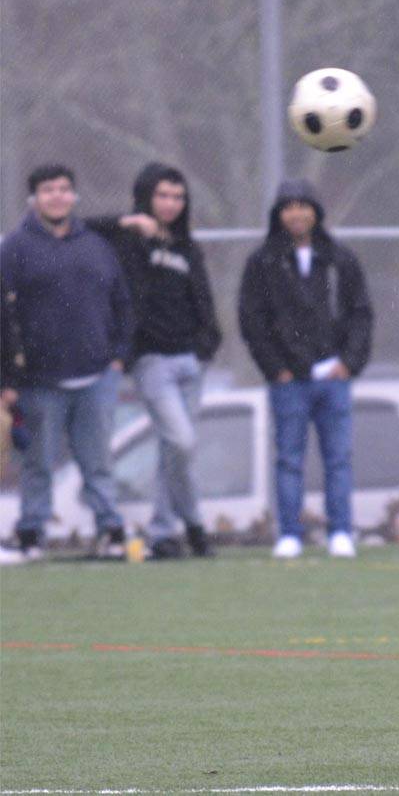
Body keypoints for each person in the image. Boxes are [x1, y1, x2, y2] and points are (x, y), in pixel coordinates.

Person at [87, 163, 222, 559]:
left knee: (174, 450)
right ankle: (194, 523)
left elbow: (204, 301)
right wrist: (129, 222)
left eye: (178, 197)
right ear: (147, 197)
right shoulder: (128, 242)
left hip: (191, 362)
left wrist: (206, 345)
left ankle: (165, 533)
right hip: (153, 362)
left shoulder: (187, 248)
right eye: (162, 195)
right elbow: (79, 227)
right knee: (182, 441)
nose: (170, 204)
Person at [0, 164, 134, 559]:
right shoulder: (15, 250)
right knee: (38, 463)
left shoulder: (96, 245)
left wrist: (118, 359)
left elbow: (122, 303)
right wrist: (7, 377)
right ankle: (31, 534)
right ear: (34, 199)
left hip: (96, 376)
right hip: (40, 380)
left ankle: (110, 531)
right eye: (47, 190)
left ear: (74, 196)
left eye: (63, 189)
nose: (57, 196)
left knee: (98, 461)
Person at [238, 179, 373, 559]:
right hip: (289, 381)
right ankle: (290, 534)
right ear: (278, 214)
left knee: (338, 458)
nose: (296, 213)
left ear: (316, 211)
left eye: (303, 205)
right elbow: (252, 321)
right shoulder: (263, 261)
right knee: (289, 459)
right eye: (288, 206)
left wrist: (349, 363)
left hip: (333, 378)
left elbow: (361, 313)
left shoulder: (339, 259)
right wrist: (276, 368)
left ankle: (341, 531)